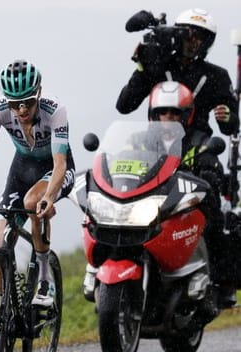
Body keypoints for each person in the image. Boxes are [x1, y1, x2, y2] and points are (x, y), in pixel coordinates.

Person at [116, 8, 239, 308]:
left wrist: (227, 116)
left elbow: (231, 125)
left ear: (207, 42)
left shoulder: (217, 76)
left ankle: (220, 282)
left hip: (199, 151)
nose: (192, 40)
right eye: (188, 32)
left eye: (201, 36)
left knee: (214, 207)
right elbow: (124, 105)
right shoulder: (158, 65)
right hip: (153, 149)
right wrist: (142, 69)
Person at [0, 60, 75, 306]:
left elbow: (60, 163)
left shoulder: (55, 111)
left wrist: (49, 197)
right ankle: (4, 314)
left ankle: (44, 279)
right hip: (22, 168)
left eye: (28, 103)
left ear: (38, 94)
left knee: (33, 202)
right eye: (14, 104)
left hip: (55, 168)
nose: (21, 110)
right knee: (0, 241)